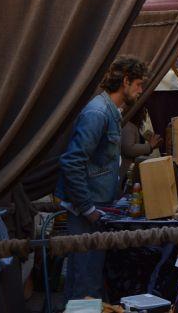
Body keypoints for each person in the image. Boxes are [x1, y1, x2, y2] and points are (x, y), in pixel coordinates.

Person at [56, 56, 148, 300]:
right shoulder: (98, 113)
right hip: (86, 213)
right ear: (125, 81)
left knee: (90, 281)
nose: (140, 90)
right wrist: (87, 208)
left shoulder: (112, 113)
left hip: (98, 208)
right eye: (138, 84)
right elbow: (72, 162)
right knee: (84, 285)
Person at [118, 108, 162, 195]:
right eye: (143, 112)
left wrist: (151, 146)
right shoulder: (128, 126)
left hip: (130, 170)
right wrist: (149, 146)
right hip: (126, 170)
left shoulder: (133, 126)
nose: (144, 115)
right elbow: (129, 149)